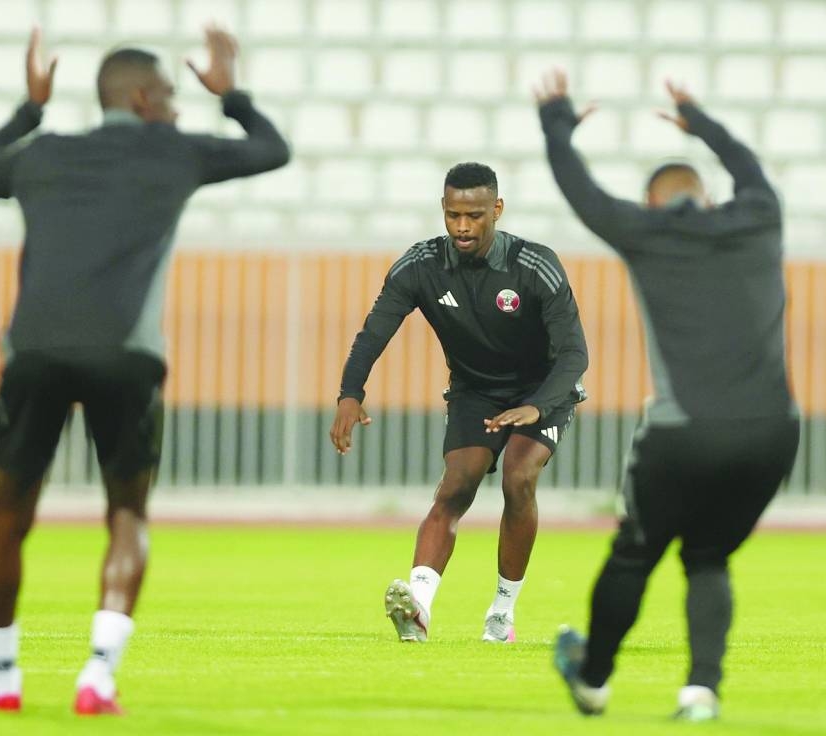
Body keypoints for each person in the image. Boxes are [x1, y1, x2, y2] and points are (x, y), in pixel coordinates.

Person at [0, 26, 289, 715]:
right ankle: (98, 677)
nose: (175, 105)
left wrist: (28, 110)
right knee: (128, 514)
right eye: (168, 93)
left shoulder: (43, 153)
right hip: (126, 355)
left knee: (9, 512)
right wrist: (233, 97)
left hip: (35, 350)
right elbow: (271, 151)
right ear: (141, 97)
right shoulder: (172, 151)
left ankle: (6, 671)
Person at [535, 69, 799, 721]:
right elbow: (751, 168)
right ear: (706, 197)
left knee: (635, 553)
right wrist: (700, 120)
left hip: (686, 433)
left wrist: (556, 122)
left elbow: (580, 192)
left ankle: (594, 680)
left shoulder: (645, 232)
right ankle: (700, 691)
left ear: (653, 204)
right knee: (707, 555)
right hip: (775, 432)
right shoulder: (760, 217)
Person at [330, 162, 588, 644]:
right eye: (452, 216)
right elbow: (373, 333)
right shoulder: (420, 265)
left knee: (518, 477)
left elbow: (575, 353)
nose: (463, 227)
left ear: (497, 209)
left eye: (473, 215)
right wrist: (350, 393)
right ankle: (419, 608)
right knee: (455, 485)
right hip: (476, 392)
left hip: (543, 390)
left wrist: (538, 406)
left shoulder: (536, 265)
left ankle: (501, 614)